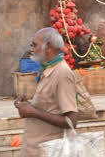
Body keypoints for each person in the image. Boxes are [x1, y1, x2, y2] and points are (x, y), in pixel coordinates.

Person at [15, 27, 88, 157]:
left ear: (48, 46)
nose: (31, 49)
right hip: (34, 149)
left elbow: (71, 122)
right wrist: (27, 106)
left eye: (34, 45)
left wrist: (33, 112)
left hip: (48, 151)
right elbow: (49, 107)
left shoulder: (62, 73)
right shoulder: (48, 69)